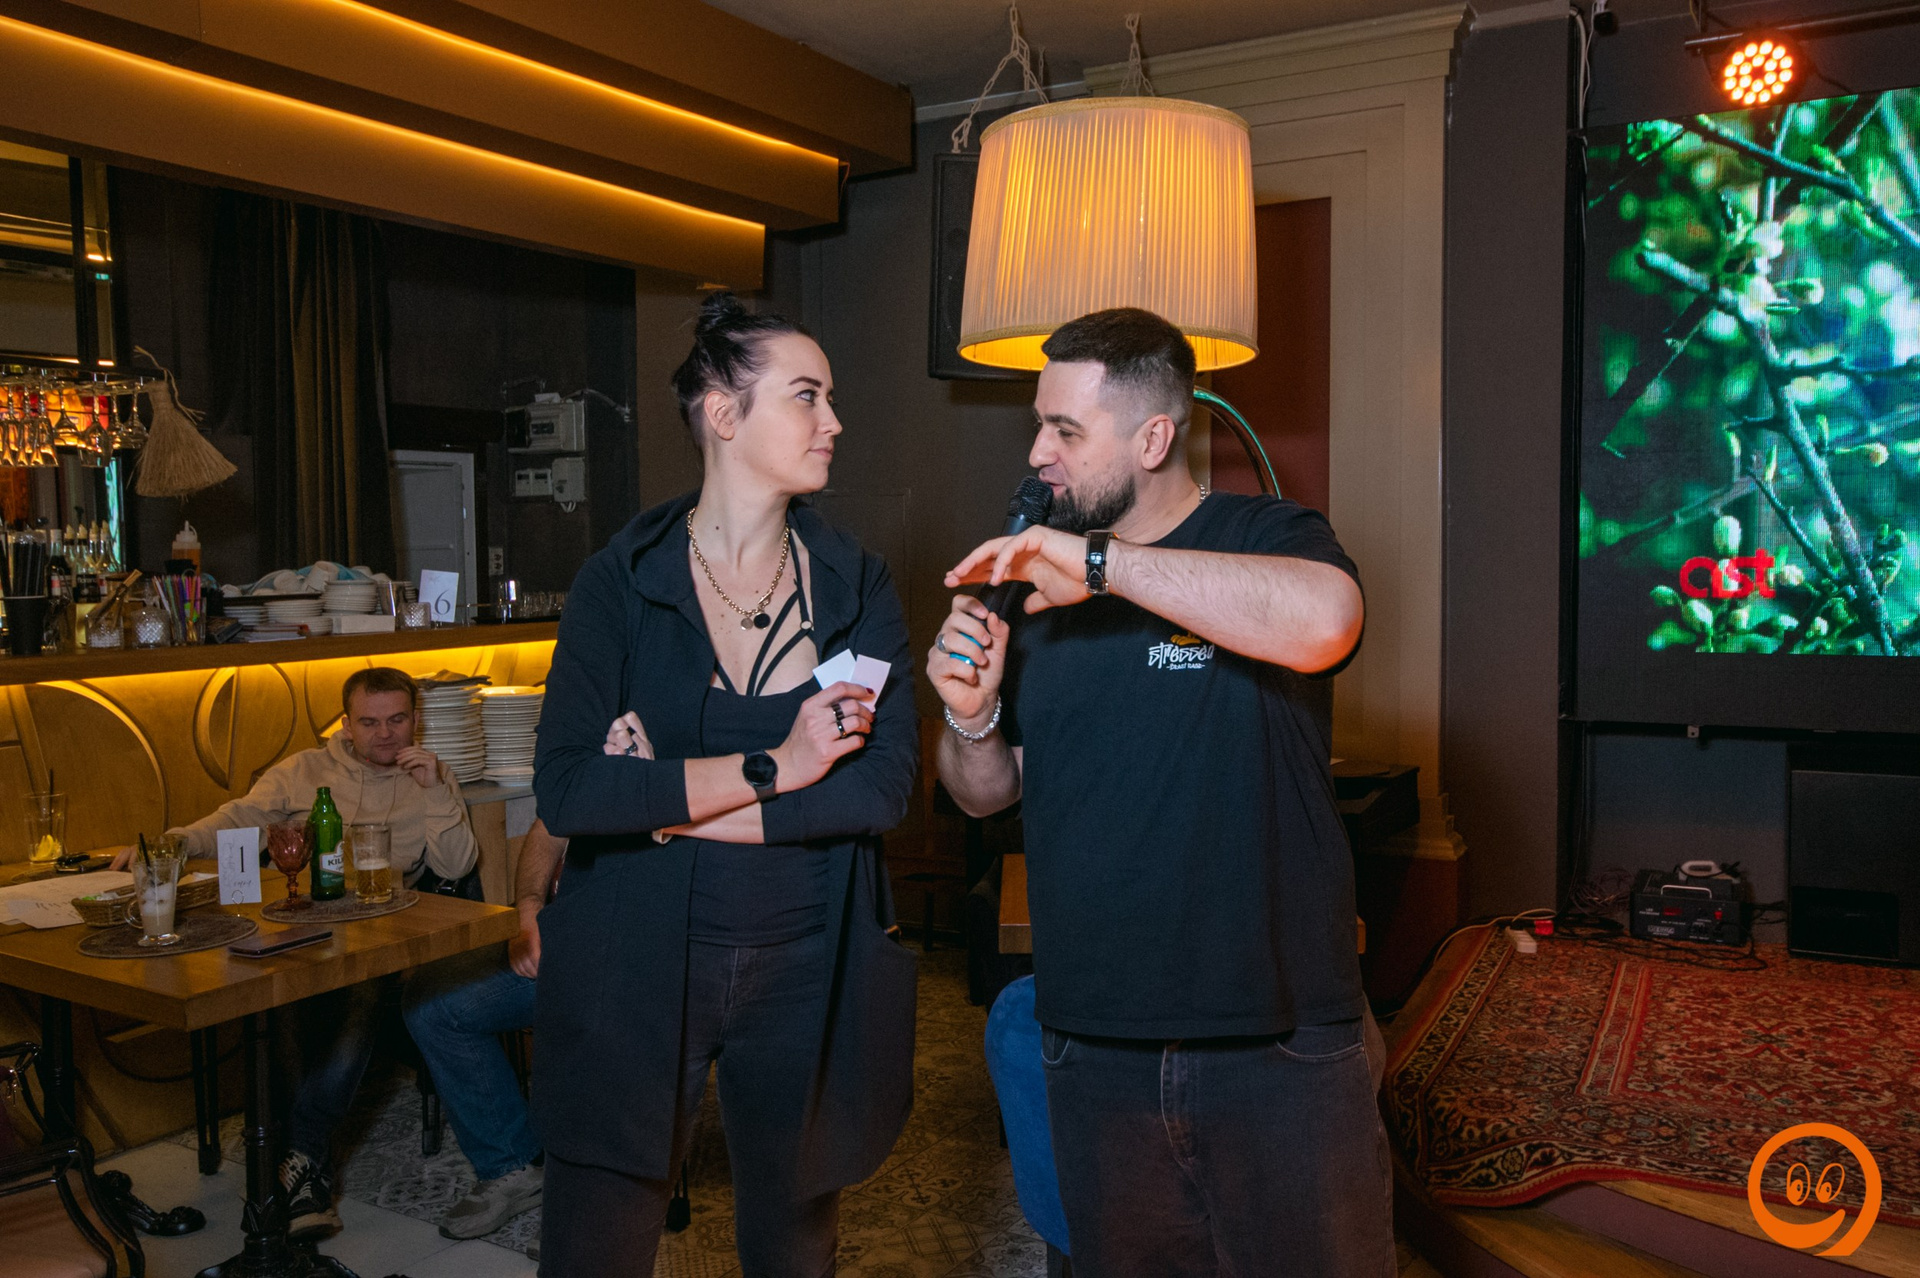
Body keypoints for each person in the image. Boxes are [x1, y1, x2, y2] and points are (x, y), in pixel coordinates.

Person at [929, 308, 1391, 1276]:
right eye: (1040, 425)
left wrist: (1100, 567)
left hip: (1275, 1042)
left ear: (1152, 438)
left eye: (1065, 430)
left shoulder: (1267, 534)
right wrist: (969, 717)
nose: (1038, 454)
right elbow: (985, 796)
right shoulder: (1029, 590)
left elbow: (1326, 623)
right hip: (1092, 1039)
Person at [531, 292, 919, 1277]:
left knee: (795, 1250)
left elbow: (879, 792)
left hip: (810, 959)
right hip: (633, 957)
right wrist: (777, 767)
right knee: (597, 1245)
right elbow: (570, 793)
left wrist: (664, 805)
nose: (834, 422)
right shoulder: (618, 582)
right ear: (722, 413)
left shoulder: (855, 583)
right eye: (806, 396)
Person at [113, 666, 480, 1240]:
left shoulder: (433, 774)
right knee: (278, 992)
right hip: (303, 926)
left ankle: (297, 1159)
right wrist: (176, 842)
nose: (385, 734)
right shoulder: (304, 771)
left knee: (358, 987)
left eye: (397, 720)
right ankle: (300, 1166)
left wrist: (435, 790)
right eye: (370, 722)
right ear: (346, 724)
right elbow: (238, 818)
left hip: (386, 932)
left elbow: (457, 866)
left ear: (416, 719)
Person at [400, 817, 567, 1240]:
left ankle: (599, 1195)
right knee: (432, 1004)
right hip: (563, 931)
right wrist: (528, 912)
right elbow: (548, 827)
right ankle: (510, 1164)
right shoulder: (583, 773)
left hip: (635, 948)